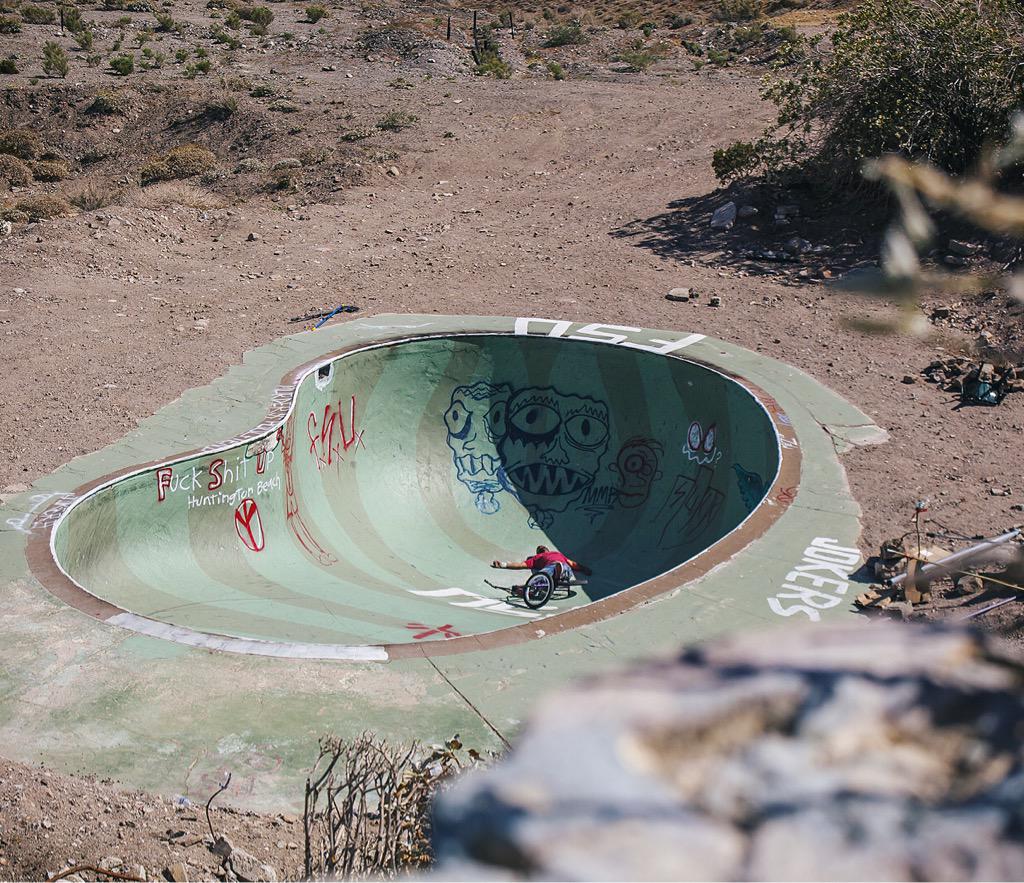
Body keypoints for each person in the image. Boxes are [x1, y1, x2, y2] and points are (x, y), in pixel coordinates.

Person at [491, 545, 591, 594]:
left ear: (548, 550)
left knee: (560, 567)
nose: (542, 548)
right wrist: (502, 564)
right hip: (550, 568)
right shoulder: (536, 558)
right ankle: (528, 588)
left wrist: (584, 569)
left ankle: (558, 573)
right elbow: (520, 565)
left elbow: (572, 564)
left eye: (543, 548)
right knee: (543, 573)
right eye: (540, 549)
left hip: (563, 566)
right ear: (539, 552)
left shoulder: (557, 554)